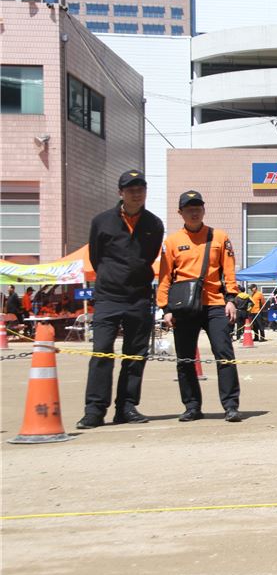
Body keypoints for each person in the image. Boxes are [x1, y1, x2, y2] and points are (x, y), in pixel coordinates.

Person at [76, 169, 165, 430]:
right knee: (102, 352)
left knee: (136, 355)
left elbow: (147, 257)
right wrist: (113, 277)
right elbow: (96, 257)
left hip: (139, 297)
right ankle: (94, 410)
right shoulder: (101, 221)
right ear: (120, 193)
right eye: (130, 189)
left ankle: (126, 407)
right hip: (108, 297)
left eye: (140, 189)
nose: (136, 194)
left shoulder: (154, 224)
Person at [157, 190, 243, 422]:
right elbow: (165, 276)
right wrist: (165, 308)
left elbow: (229, 270)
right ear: (180, 213)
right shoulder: (172, 241)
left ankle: (231, 405)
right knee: (185, 358)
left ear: (204, 209)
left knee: (224, 354)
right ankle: (192, 406)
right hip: (183, 308)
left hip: (215, 305)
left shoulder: (219, 237)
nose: (194, 212)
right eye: (188, 209)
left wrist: (231, 299)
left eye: (197, 207)